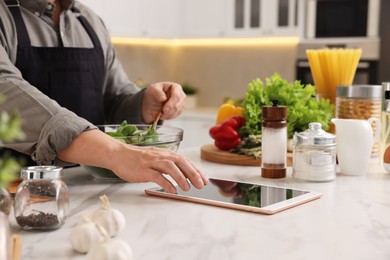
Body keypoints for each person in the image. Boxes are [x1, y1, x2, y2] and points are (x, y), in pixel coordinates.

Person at [0, 0, 208, 193]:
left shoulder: (90, 21)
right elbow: (5, 90)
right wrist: (114, 153)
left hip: (92, 189)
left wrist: (144, 105)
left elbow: (114, 98)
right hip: (16, 192)